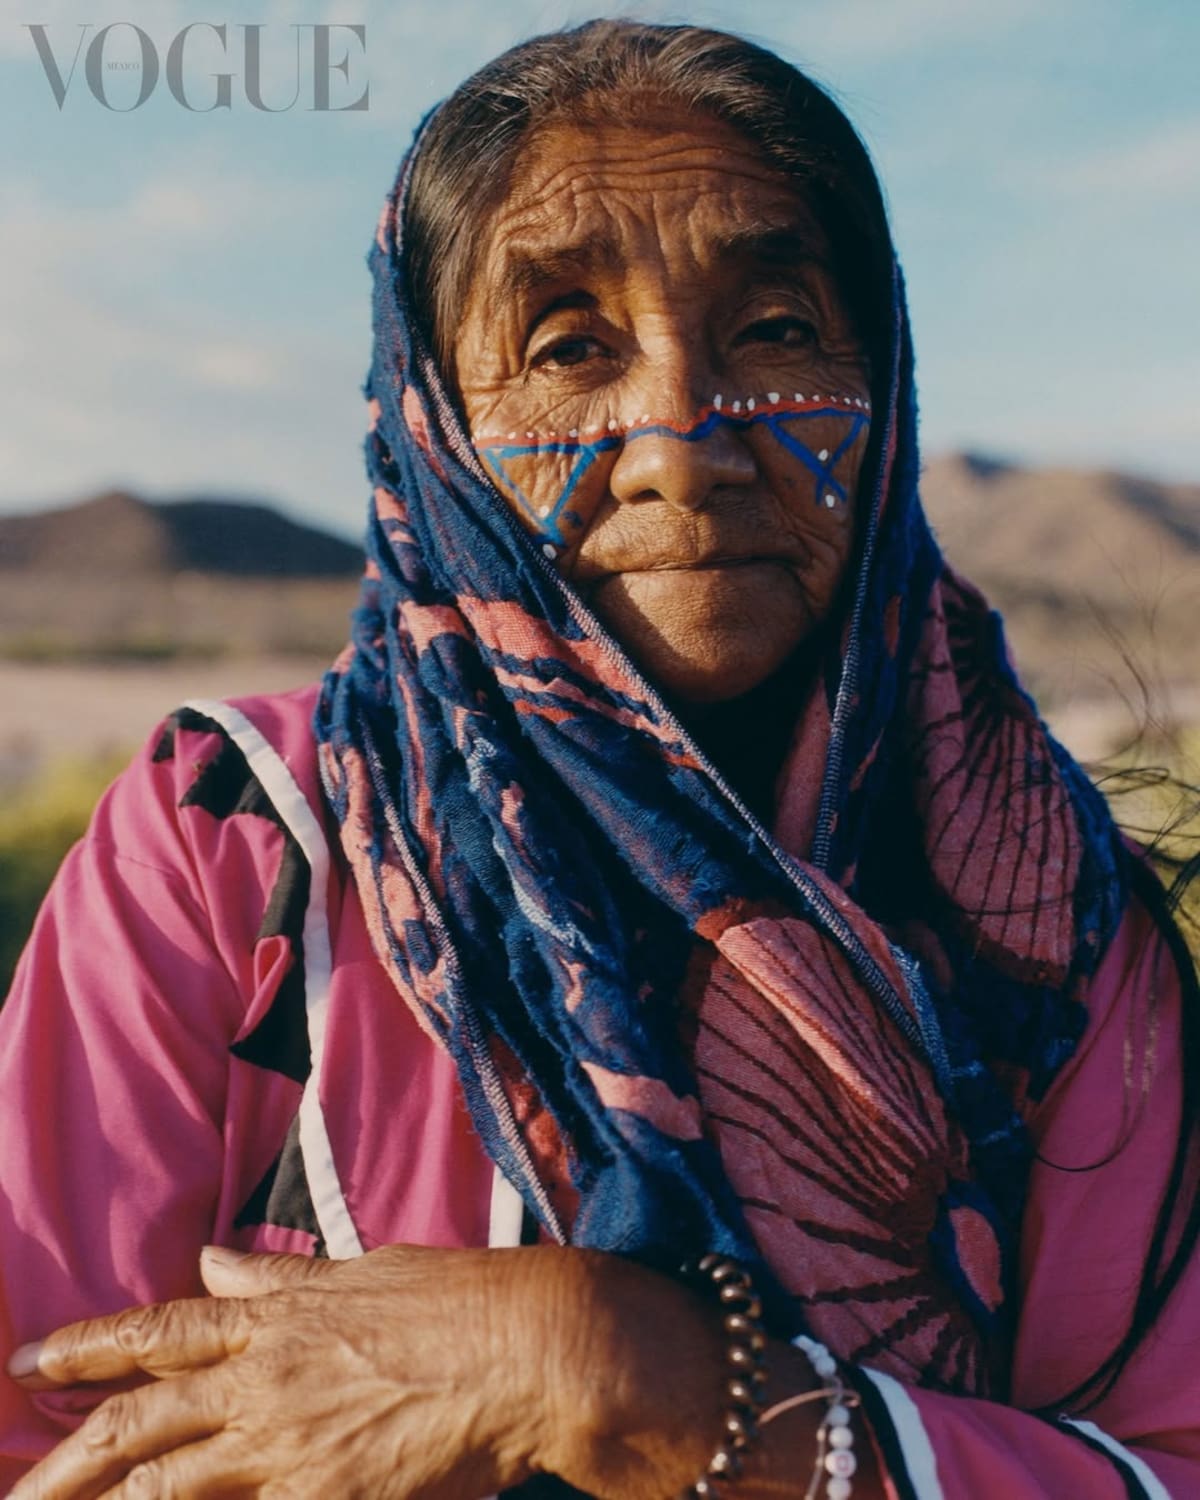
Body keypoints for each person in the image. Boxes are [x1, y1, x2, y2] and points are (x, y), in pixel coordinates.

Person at [2, 19, 1198, 1499]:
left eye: (774, 331)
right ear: (434, 419)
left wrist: (637, 1382)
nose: (683, 441)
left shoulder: (1053, 918)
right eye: (570, 346)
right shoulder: (236, 846)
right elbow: (53, 1437)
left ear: (883, 383)